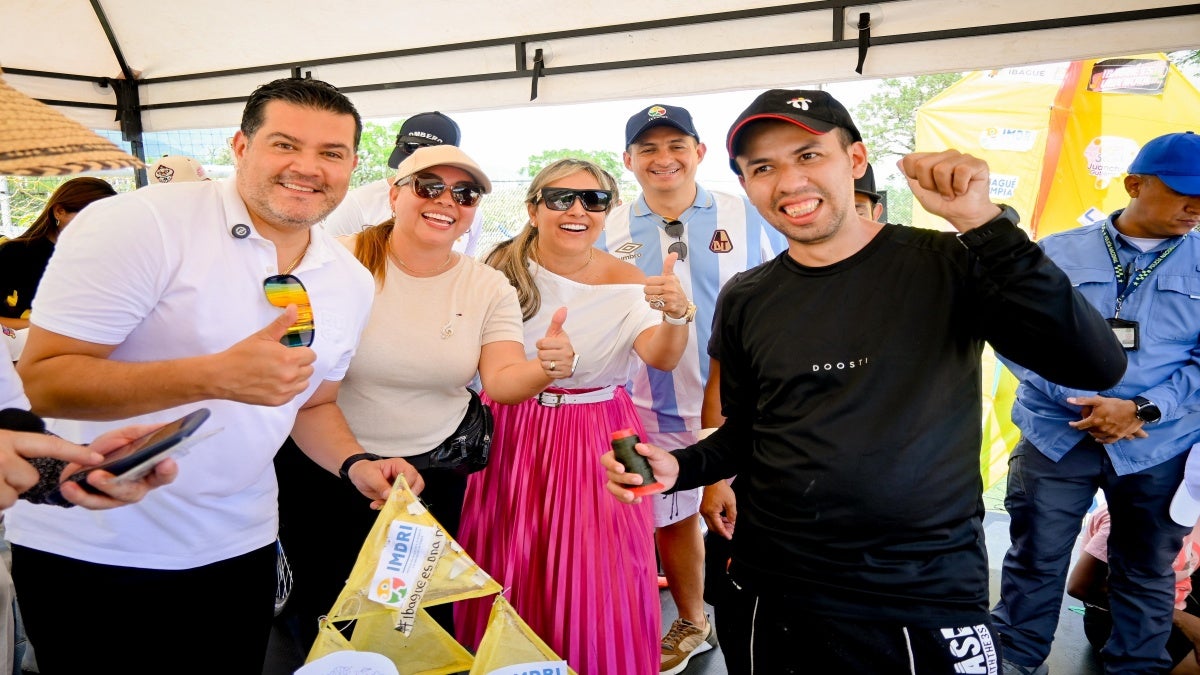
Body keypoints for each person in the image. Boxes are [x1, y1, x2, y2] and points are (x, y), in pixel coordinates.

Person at [602, 88, 1127, 674]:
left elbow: (1096, 365)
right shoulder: (748, 296)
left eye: (808, 156)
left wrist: (985, 226)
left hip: (921, 591)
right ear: (748, 187)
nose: (787, 182)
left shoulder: (948, 263)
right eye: (763, 168)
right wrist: (686, 466)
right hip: (773, 586)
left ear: (854, 160)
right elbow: (745, 430)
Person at [5, 76, 424, 673]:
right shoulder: (140, 223)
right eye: (285, 144)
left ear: (353, 165)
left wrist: (356, 464)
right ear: (240, 146)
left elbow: (311, 404)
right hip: (94, 540)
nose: (308, 167)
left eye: (331, 153)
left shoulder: (349, 277)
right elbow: (44, 377)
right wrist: (215, 376)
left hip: (239, 545)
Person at [273, 144, 575, 654]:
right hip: (323, 465)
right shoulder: (334, 261)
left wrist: (546, 369)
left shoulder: (486, 284)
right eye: (429, 186)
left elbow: (500, 380)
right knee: (325, 613)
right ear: (394, 195)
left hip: (428, 474)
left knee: (413, 619)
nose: (447, 201)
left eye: (465, 193)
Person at [455, 158, 690, 675]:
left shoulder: (630, 281)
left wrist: (677, 314)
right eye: (561, 198)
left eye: (594, 200)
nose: (577, 210)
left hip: (602, 433)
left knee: (601, 567)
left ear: (608, 211)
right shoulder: (497, 270)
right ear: (534, 208)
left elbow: (662, 356)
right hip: (512, 427)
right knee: (508, 555)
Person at [992, 130, 1200, 675]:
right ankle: (1013, 657)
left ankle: (1135, 667)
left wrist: (1141, 410)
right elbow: (1014, 337)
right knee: (1035, 555)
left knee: (1148, 568)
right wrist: (1077, 399)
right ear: (1135, 184)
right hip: (1057, 433)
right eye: (1184, 190)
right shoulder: (1056, 251)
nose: (1196, 205)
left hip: (1159, 443)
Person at [598, 103, 783, 675]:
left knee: (756, 515)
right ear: (629, 161)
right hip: (640, 403)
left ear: (699, 153)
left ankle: (778, 625)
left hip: (744, 403)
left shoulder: (752, 214)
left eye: (676, 145)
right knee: (667, 517)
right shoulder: (606, 226)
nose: (664, 158)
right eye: (648, 149)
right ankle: (691, 621)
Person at [1067, 497, 1200, 675]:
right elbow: (1082, 585)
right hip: (1124, 617)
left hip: (1176, 602)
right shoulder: (1133, 513)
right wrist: (1182, 620)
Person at [323, 111, 484, 256]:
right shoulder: (356, 203)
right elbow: (329, 263)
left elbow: (464, 262)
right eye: (411, 147)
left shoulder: (469, 213)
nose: (444, 200)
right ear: (394, 196)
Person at [0, 177, 116, 331]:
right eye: (90, 216)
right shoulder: (15, 253)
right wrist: (51, 328)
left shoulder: (106, 255)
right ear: (59, 211)